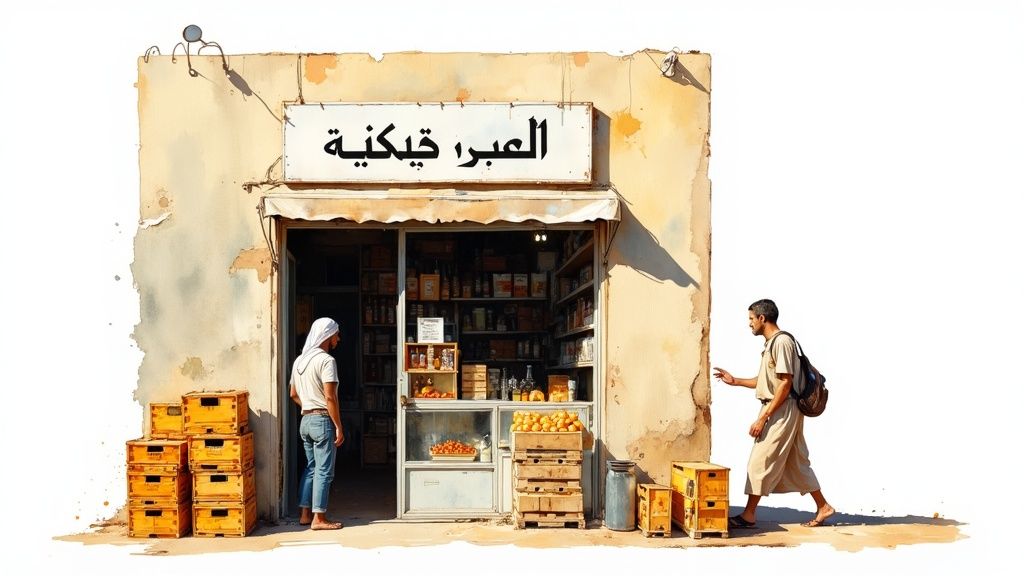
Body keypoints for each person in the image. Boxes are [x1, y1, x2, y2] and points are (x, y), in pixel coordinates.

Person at [712, 299, 835, 529]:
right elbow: (768, 381)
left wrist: (763, 417)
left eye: (751, 319)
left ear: (762, 318)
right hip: (782, 407)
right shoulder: (772, 344)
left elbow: (785, 384)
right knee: (797, 463)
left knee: (759, 461)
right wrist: (736, 381)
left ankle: (749, 514)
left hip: (782, 409)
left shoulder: (782, 342)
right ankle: (823, 507)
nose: (749, 324)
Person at [289, 317, 345, 530]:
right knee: (324, 471)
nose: (338, 339)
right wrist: (338, 426)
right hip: (322, 420)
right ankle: (319, 518)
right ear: (328, 335)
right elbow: (330, 397)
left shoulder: (299, 361)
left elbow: (293, 394)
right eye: (336, 335)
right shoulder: (326, 361)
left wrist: (308, 406)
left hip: (306, 420)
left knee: (312, 467)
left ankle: (305, 514)